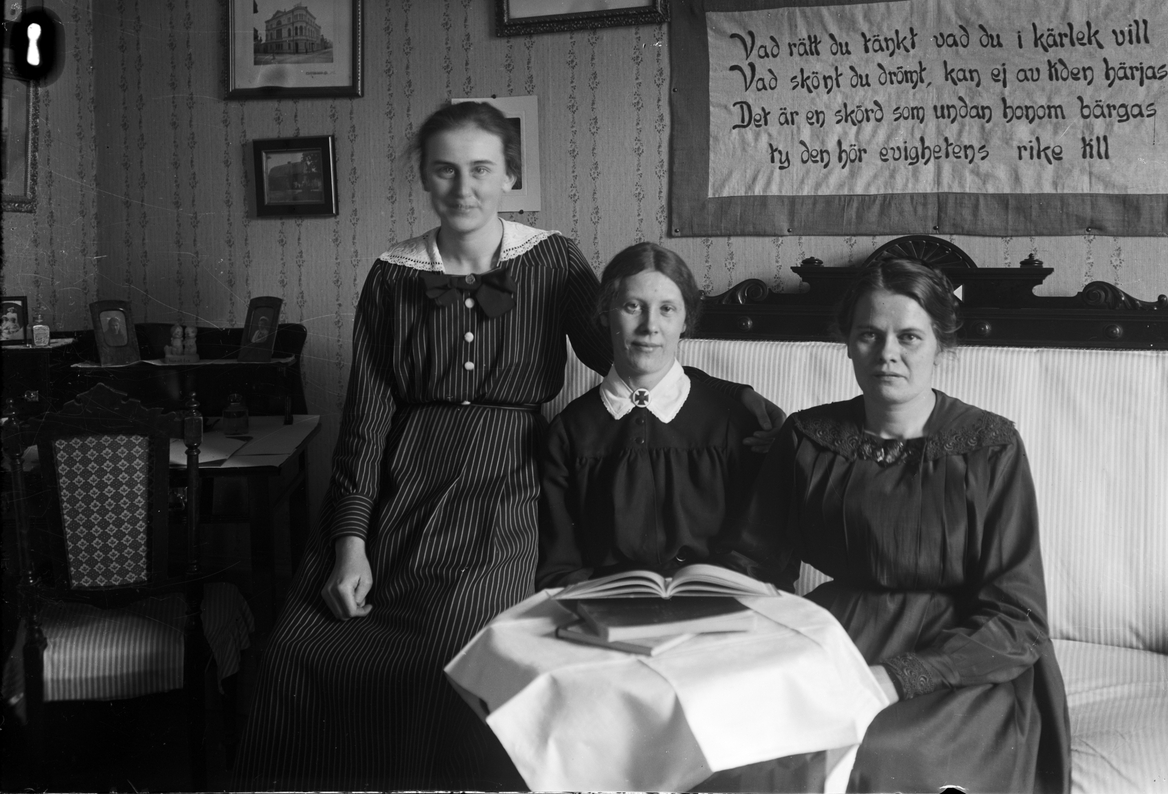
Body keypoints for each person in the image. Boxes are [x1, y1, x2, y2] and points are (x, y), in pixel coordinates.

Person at [235, 101, 782, 792]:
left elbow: (633, 353)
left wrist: (728, 399)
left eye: (481, 169)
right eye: (445, 170)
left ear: (508, 176)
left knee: (455, 645)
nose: (464, 188)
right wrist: (350, 544)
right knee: (294, 650)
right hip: (402, 488)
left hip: (507, 484)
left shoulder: (551, 259)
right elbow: (366, 422)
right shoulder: (391, 275)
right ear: (425, 177)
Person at [732, 257, 1071, 793]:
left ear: (940, 343)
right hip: (840, 635)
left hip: (964, 658)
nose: (887, 353)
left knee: (883, 752)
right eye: (869, 334)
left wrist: (895, 679)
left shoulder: (991, 447)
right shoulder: (807, 436)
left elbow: (1018, 616)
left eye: (909, 337)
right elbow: (752, 564)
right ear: (848, 343)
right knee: (748, 740)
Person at [537, 243, 764, 588]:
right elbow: (560, 565)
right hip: (604, 607)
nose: (650, 326)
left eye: (667, 309)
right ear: (604, 313)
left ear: (685, 320)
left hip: (714, 604)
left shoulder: (731, 423)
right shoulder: (570, 432)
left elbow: (756, 552)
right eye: (633, 306)